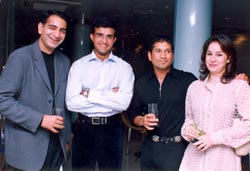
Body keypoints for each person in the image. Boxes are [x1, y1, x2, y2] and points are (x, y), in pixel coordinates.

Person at [0, 10, 71, 171]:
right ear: (40, 28)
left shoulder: (64, 62)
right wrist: (40, 120)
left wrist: (66, 139)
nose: (57, 34)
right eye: (52, 27)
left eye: (62, 30)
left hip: (55, 149)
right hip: (25, 151)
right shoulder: (20, 57)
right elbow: (2, 100)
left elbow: (63, 104)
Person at [66, 16, 135, 171]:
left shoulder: (124, 68)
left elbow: (123, 103)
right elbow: (71, 102)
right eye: (100, 35)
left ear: (114, 39)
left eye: (109, 36)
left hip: (112, 129)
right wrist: (110, 95)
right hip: (84, 128)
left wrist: (88, 93)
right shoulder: (78, 66)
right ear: (92, 37)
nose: (104, 41)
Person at [179, 34, 250, 171]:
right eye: (209, 54)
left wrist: (214, 138)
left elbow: (248, 125)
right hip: (193, 159)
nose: (212, 59)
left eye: (219, 54)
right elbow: (189, 119)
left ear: (229, 58)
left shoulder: (240, 87)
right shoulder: (194, 87)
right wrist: (187, 129)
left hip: (223, 160)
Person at [128, 34, 197, 171]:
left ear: (172, 56)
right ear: (149, 55)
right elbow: (132, 113)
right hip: (150, 148)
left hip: (177, 149)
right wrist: (141, 120)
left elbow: (209, 90)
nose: (163, 56)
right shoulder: (142, 83)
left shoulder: (187, 80)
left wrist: (233, 79)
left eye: (167, 51)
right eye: (158, 51)